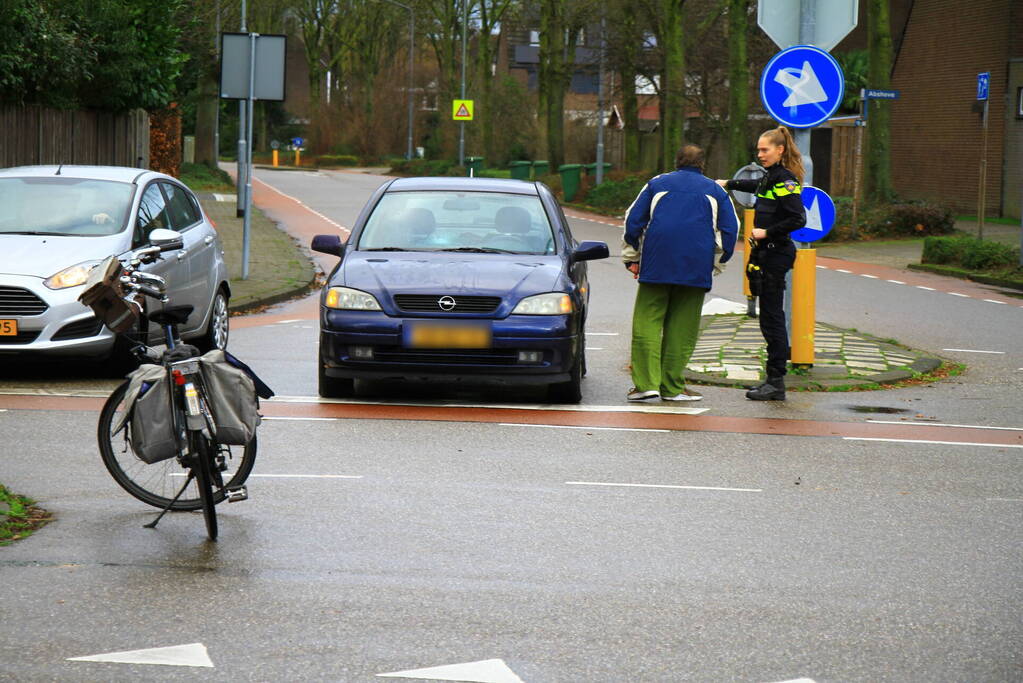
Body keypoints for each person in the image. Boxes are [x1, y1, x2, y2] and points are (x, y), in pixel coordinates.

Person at [623, 144, 738, 402]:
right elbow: (731, 230)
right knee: (682, 327)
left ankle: (646, 384)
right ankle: (672, 387)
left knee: (648, 322)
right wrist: (721, 259)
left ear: (677, 161)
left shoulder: (656, 184)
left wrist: (634, 254)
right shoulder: (716, 191)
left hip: (657, 262)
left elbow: (633, 221)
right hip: (696, 265)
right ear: (703, 164)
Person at [717, 126, 807, 401]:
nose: (760, 154)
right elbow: (755, 186)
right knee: (768, 318)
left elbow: (798, 219)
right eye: (758, 150)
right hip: (766, 253)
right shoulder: (771, 177)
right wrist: (728, 184)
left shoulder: (786, 180)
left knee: (772, 318)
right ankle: (772, 378)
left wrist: (766, 232)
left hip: (776, 252)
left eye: (765, 149)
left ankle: (776, 381)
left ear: (780, 150)